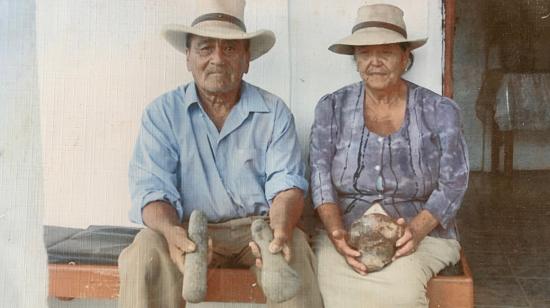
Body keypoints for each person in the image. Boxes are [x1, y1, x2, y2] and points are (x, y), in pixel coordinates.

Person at [118, 1, 322, 307]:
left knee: (292, 250)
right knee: (144, 251)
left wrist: (280, 230)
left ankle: (277, 245)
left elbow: (287, 187)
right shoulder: (162, 113)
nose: (217, 59)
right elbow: (151, 190)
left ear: (246, 60)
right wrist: (173, 233)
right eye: (205, 48)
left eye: (229, 49)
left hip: (259, 227)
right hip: (189, 226)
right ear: (188, 57)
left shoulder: (274, 112)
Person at [309, 4, 469, 308]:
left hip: (422, 229)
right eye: (365, 53)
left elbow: (454, 182)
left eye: (386, 52)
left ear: (405, 57)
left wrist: (417, 229)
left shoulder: (439, 110)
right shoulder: (331, 108)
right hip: (346, 226)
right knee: (332, 289)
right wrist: (335, 231)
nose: (375, 62)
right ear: (355, 60)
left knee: (401, 293)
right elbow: (319, 178)